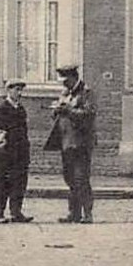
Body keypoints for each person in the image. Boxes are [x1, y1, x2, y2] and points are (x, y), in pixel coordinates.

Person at [43, 61, 96, 224]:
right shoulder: (66, 93)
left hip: (81, 143)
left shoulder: (86, 93)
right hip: (66, 142)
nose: (64, 84)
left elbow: (89, 114)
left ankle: (87, 213)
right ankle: (74, 213)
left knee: (81, 178)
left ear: (74, 78)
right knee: (70, 178)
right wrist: (56, 111)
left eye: (66, 80)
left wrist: (68, 110)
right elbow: (59, 112)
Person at [0, 77, 33, 224]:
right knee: (2, 183)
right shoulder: (2, 109)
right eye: (16, 90)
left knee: (19, 183)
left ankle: (16, 212)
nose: (19, 93)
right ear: (9, 90)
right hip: (5, 153)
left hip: (21, 153)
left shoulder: (21, 109)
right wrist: (0, 136)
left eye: (21, 90)